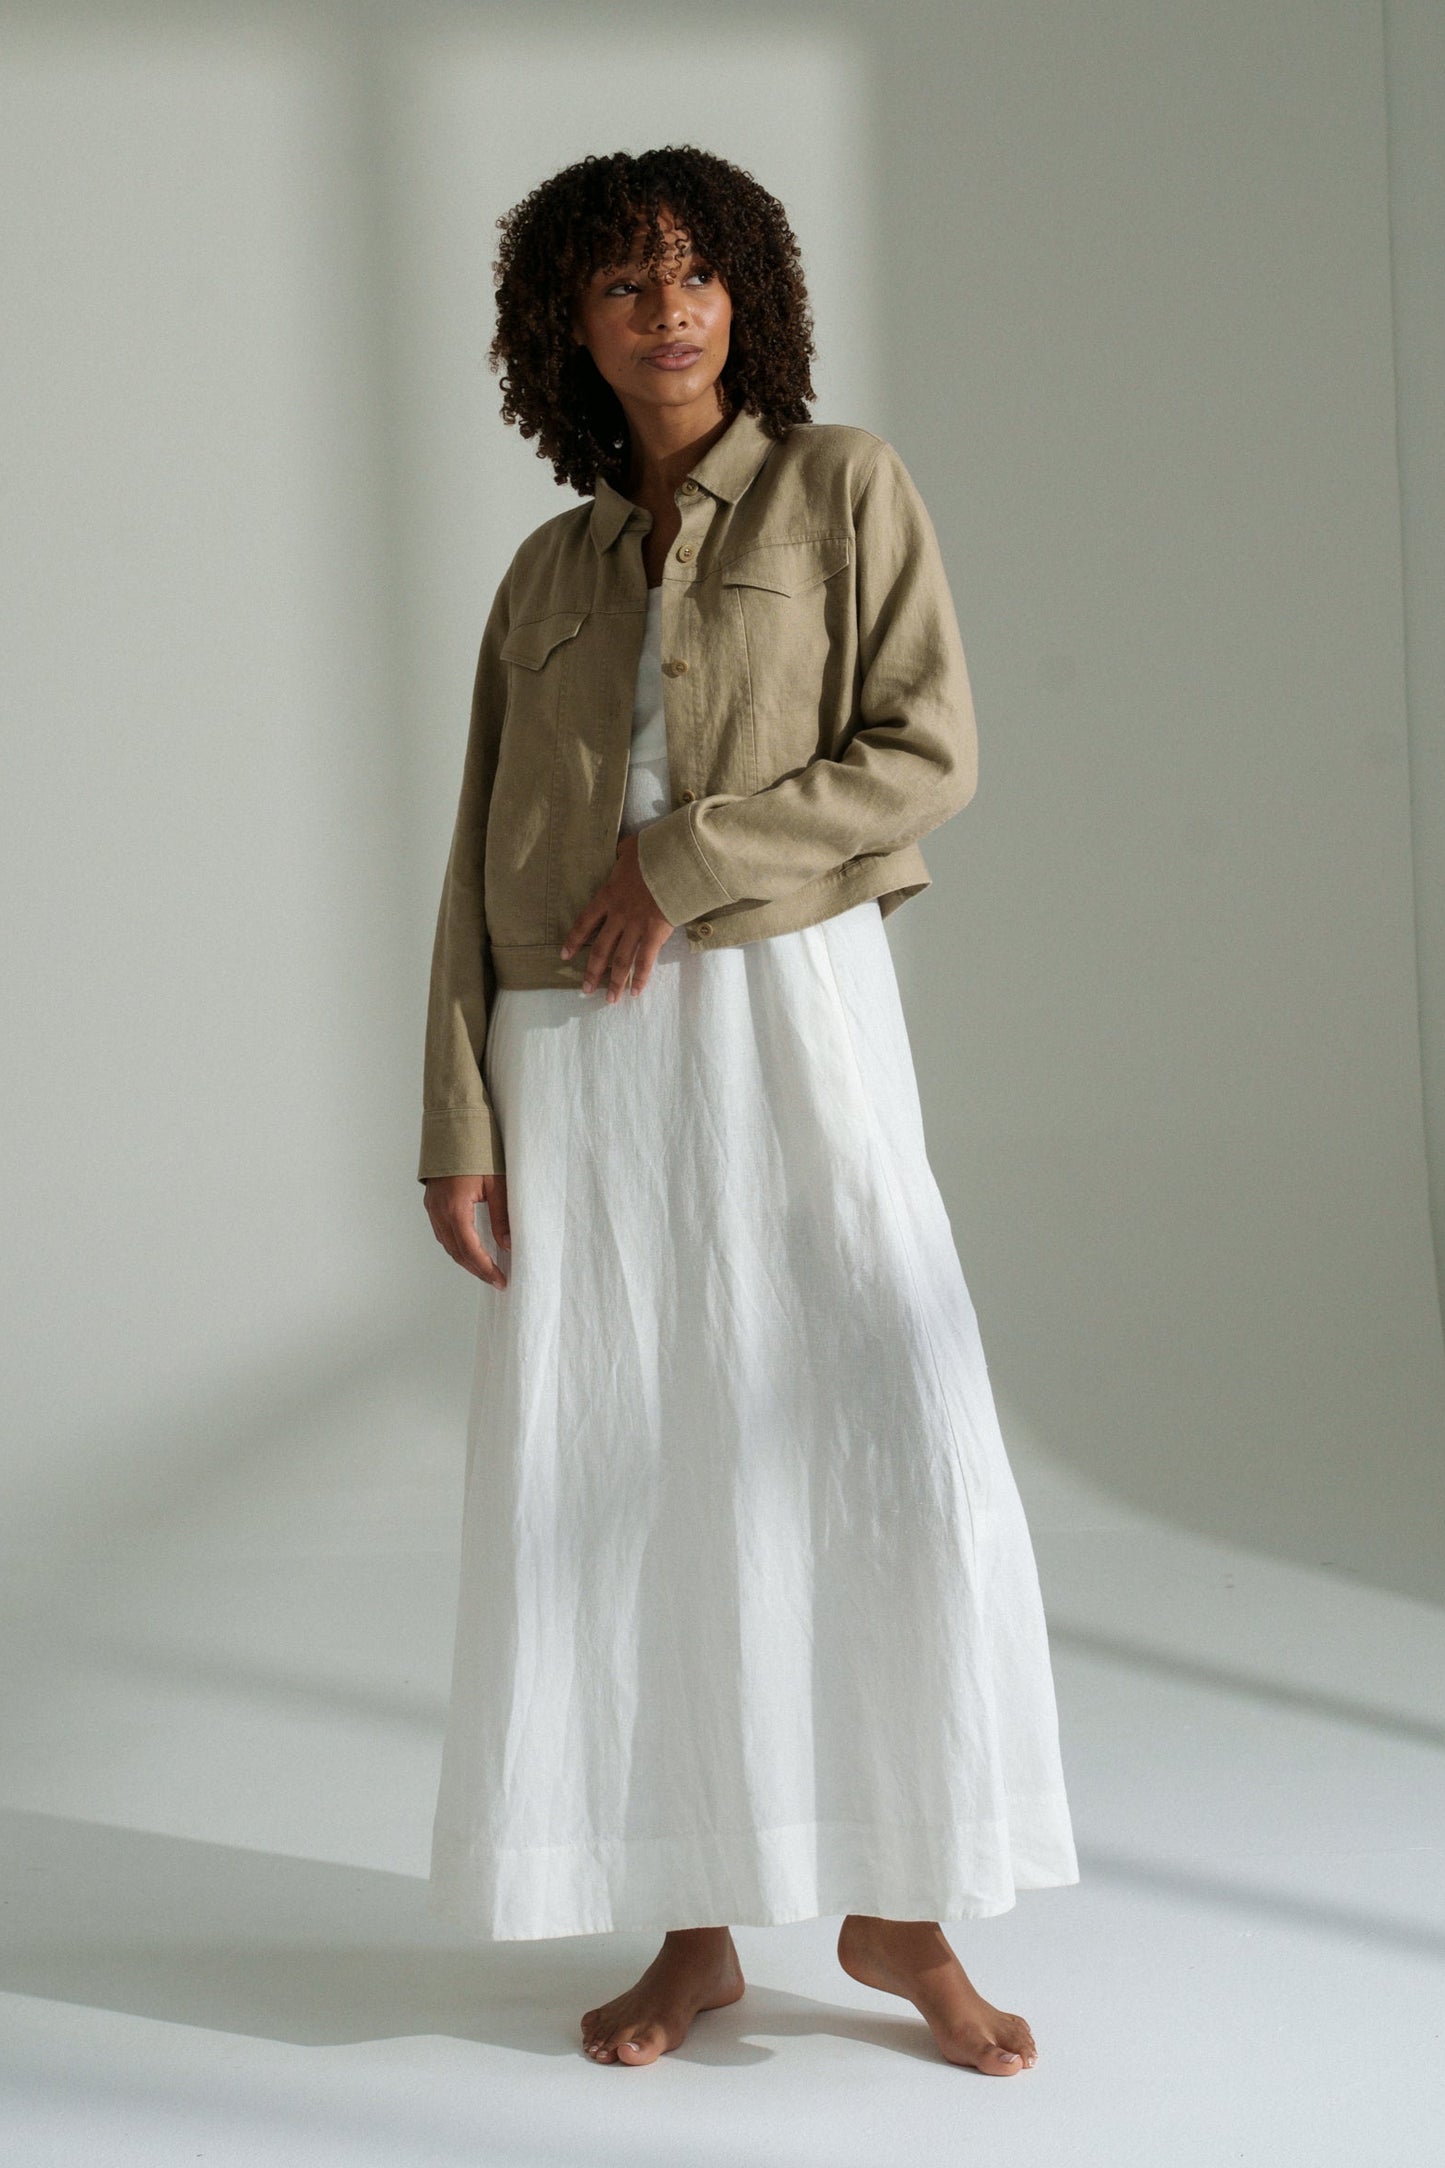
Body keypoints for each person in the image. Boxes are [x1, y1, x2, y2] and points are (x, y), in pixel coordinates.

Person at [418, 145, 1078, 2073]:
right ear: (571, 324)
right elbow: (469, 859)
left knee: (879, 1418)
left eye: (696, 275)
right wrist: (457, 1113)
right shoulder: (544, 571)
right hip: (581, 1051)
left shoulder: (840, 484)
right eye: (624, 283)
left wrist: (683, 859)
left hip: (786, 1006)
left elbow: (924, 750)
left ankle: (902, 1908)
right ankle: (693, 1920)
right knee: (635, 1458)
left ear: (748, 297)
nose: (667, 309)